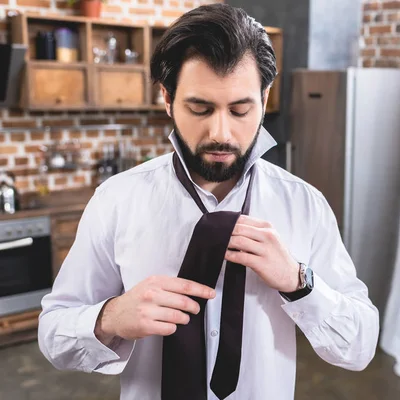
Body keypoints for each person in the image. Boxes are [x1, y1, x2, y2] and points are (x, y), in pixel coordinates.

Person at [38, 4, 379, 400]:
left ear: (265, 99)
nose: (221, 132)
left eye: (240, 110)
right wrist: (109, 317)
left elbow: (359, 348)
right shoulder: (117, 200)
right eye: (200, 108)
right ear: (167, 98)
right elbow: (53, 334)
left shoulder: (305, 205)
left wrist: (298, 281)